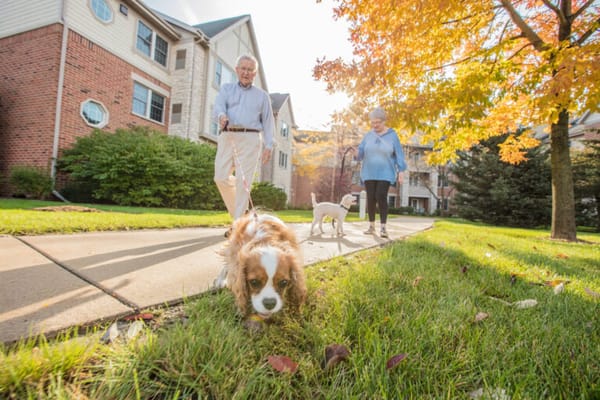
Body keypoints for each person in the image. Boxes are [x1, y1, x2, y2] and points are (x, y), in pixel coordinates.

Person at [213, 54, 275, 236]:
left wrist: (269, 145)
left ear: (254, 73)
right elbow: (218, 107)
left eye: (250, 70)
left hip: (251, 138)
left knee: (243, 182)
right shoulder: (226, 89)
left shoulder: (262, 96)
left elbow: (269, 122)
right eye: (243, 68)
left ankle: (238, 226)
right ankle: (243, 215)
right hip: (228, 135)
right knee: (220, 177)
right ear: (236, 69)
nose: (246, 72)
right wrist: (221, 116)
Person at [356, 107, 407, 238]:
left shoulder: (392, 135)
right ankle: (372, 226)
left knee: (380, 195)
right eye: (373, 122)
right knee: (371, 198)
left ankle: (383, 227)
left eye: (378, 122)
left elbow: (399, 154)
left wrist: (401, 170)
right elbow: (360, 152)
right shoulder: (368, 135)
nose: (375, 125)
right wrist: (357, 154)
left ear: (384, 121)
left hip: (385, 172)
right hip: (369, 171)